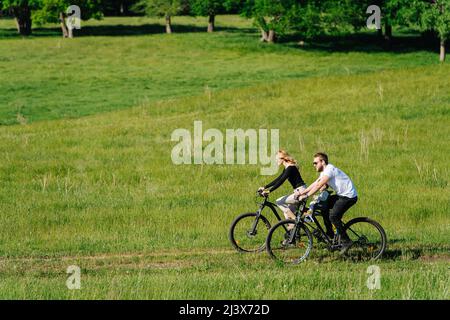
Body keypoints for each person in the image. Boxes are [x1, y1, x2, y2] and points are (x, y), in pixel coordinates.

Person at [296, 152, 358, 251]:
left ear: (323, 162)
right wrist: (303, 192)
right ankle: (330, 234)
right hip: (341, 195)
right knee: (323, 207)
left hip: (348, 197)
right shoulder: (324, 172)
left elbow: (319, 185)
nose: (314, 165)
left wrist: (307, 195)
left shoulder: (329, 170)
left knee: (333, 216)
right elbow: (315, 183)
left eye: (315, 163)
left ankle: (346, 241)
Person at [259, 150, 307, 222]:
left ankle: (297, 222)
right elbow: (278, 179)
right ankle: (292, 230)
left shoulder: (290, 168)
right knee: (287, 213)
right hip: (299, 191)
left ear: (282, 158)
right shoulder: (287, 168)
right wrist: (265, 187)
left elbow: (281, 181)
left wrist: (269, 191)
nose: (276, 161)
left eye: (276, 159)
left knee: (279, 201)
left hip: (301, 191)